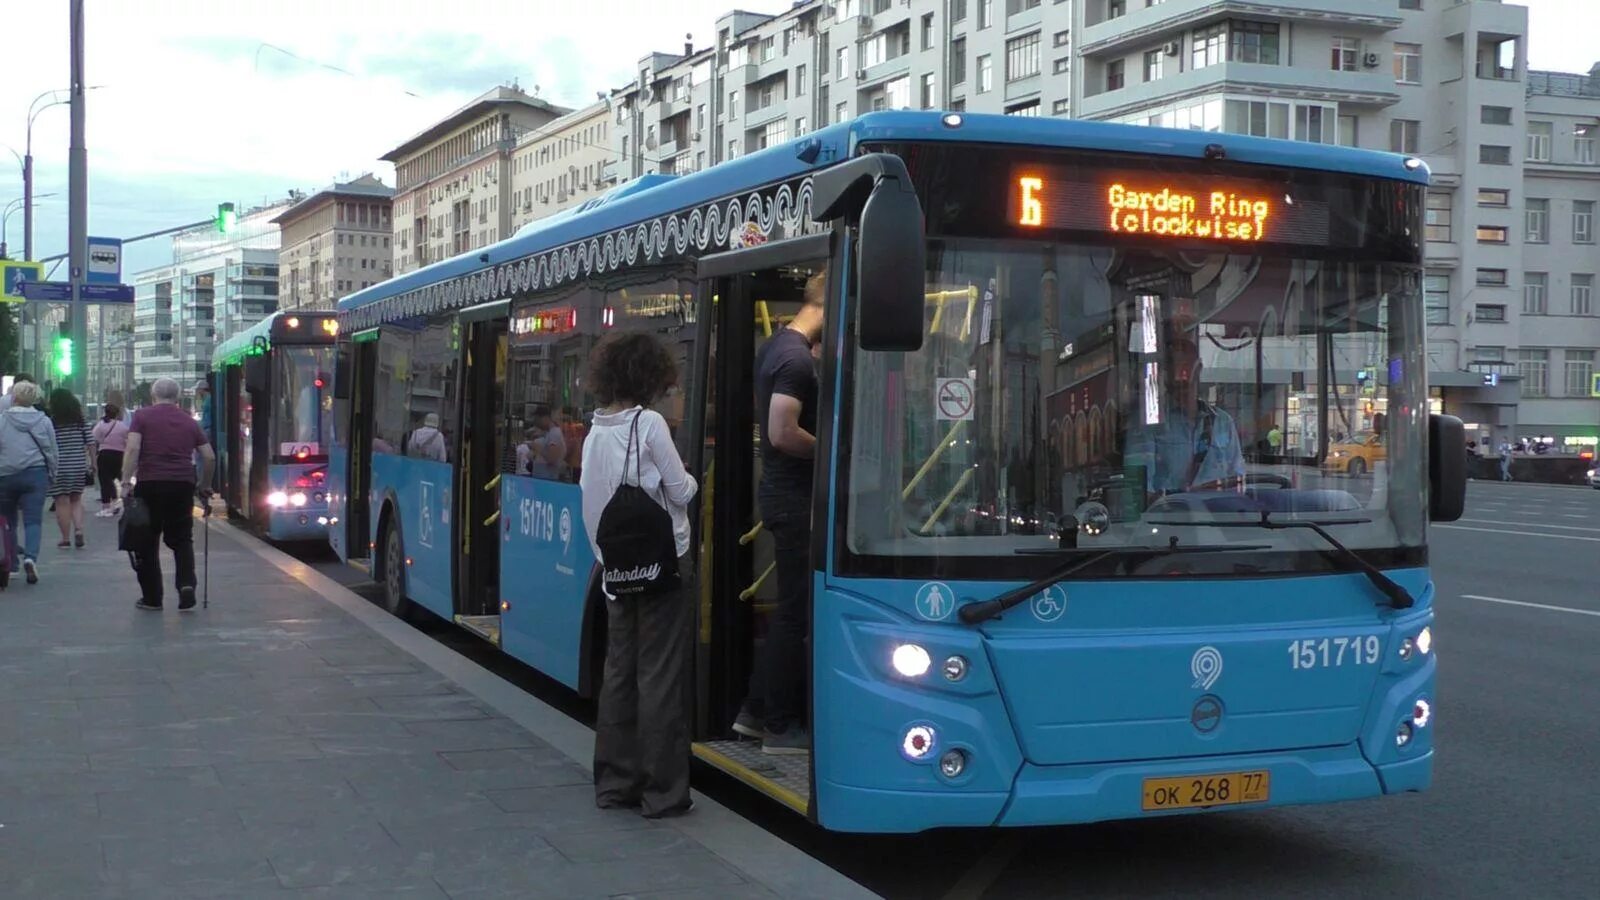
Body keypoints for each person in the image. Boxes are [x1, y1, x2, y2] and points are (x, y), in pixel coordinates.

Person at [579, 332, 698, 819]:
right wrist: (689, 476)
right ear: (650, 377)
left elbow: (591, 501)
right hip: (664, 565)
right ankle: (662, 791)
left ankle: (614, 783)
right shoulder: (649, 425)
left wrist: (608, 562)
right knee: (659, 675)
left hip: (615, 569)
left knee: (619, 674)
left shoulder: (594, 432)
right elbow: (681, 491)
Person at [737, 270, 827, 755]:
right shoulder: (796, 359)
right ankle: (779, 725)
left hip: (781, 496)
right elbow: (781, 431)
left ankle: (754, 711)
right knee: (796, 616)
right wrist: (833, 454)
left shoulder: (776, 346)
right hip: (795, 499)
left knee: (793, 611)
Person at [121, 377, 214, 612]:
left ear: (153, 396)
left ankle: (152, 598)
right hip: (182, 484)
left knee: (147, 541)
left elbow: (133, 449)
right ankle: (185, 585)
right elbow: (209, 456)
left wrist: (125, 482)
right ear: (177, 397)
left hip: (149, 483)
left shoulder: (141, 417)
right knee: (182, 538)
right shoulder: (188, 421)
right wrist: (204, 485)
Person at [1124, 336, 1247, 500]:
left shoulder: (1222, 422)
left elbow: (1237, 481)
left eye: (1186, 368)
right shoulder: (1148, 422)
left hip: (1219, 517)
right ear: (1165, 374)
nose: (1180, 377)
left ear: (1199, 369)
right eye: (1174, 369)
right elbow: (1138, 490)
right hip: (1169, 518)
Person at [0, 381, 58, 585]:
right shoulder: (44, 421)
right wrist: (52, 473)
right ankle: (31, 558)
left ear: (13, 398)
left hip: (5, 476)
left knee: (8, 521)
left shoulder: (2, 420)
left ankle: (12, 563)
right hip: (35, 474)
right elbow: (51, 450)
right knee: (33, 520)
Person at [47, 389, 95, 549]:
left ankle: (65, 538)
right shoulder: (81, 421)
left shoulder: (51, 422)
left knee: (62, 502)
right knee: (76, 500)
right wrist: (93, 463)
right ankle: (79, 531)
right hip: (78, 465)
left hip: (59, 466)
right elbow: (90, 442)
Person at [91, 403, 131, 516]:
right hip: (119, 456)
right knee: (121, 479)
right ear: (117, 414)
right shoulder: (123, 427)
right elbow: (128, 441)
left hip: (104, 455)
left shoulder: (101, 425)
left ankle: (106, 507)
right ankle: (129, 500)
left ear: (105, 412)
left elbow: (95, 438)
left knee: (105, 481)